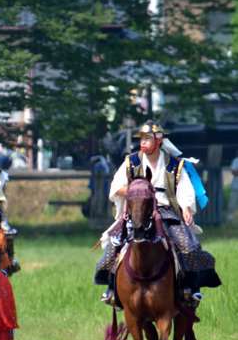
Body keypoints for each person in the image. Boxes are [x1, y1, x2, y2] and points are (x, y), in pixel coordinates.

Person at [94, 121, 221, 308]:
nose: (143, 142)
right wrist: (138, 190)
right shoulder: (131, 162)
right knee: (113, 247)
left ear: (159, 140)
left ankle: (190, 289)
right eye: (142, 139)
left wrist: (186, 208)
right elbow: (115, 188)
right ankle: (113, 291)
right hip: (138, 212)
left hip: (166, 211)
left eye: (147, 138)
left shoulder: (175, 165)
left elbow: (184, 189)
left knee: (189, 246)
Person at [224, 153, 238, 225]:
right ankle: (228, 223)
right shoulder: (236, 160)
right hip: (236, 187)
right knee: (231, 206)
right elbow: (233, 171)